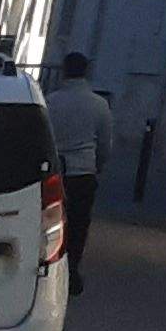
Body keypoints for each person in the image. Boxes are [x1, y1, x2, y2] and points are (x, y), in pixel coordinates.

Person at [42, 53, 114, 283]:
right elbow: (105, 143)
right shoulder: (99, 105)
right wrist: (98, 166)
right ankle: (71, 269)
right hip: (83, 172)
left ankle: (50, 264)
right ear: (86, 71)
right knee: (78, 223)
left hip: (55, 172)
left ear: (64, 71)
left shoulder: (51, 102)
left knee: (51, 222)